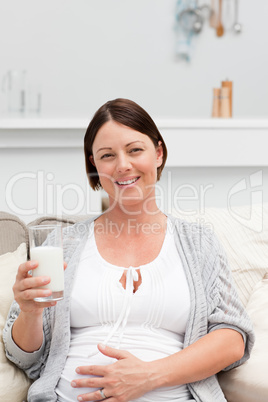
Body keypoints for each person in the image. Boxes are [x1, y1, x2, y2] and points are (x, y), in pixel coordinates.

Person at [4, 98, 254, 402]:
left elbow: (232, 340)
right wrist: (29, 313)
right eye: (107, 155)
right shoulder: (61, 244)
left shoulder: (199, 242)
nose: (123, 165)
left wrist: (148, 376)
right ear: (94, 165)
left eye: (135, 150)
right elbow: (25, 357)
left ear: (158, 153)